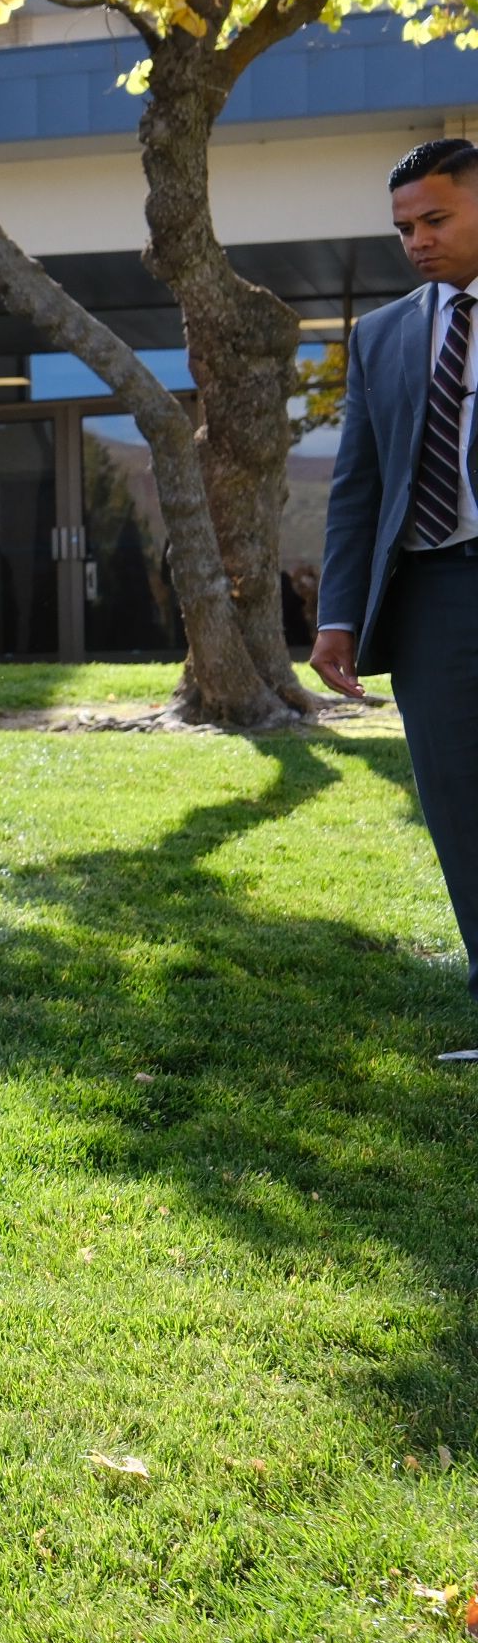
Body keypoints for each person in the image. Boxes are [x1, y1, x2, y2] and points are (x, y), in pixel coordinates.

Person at [314, 136, 478, 1004]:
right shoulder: (380, 337)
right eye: (403, 228)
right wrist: (338, 613)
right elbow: (357, 488)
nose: (417, 240)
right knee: (459, 813)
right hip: (432, 602)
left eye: (436, 219)